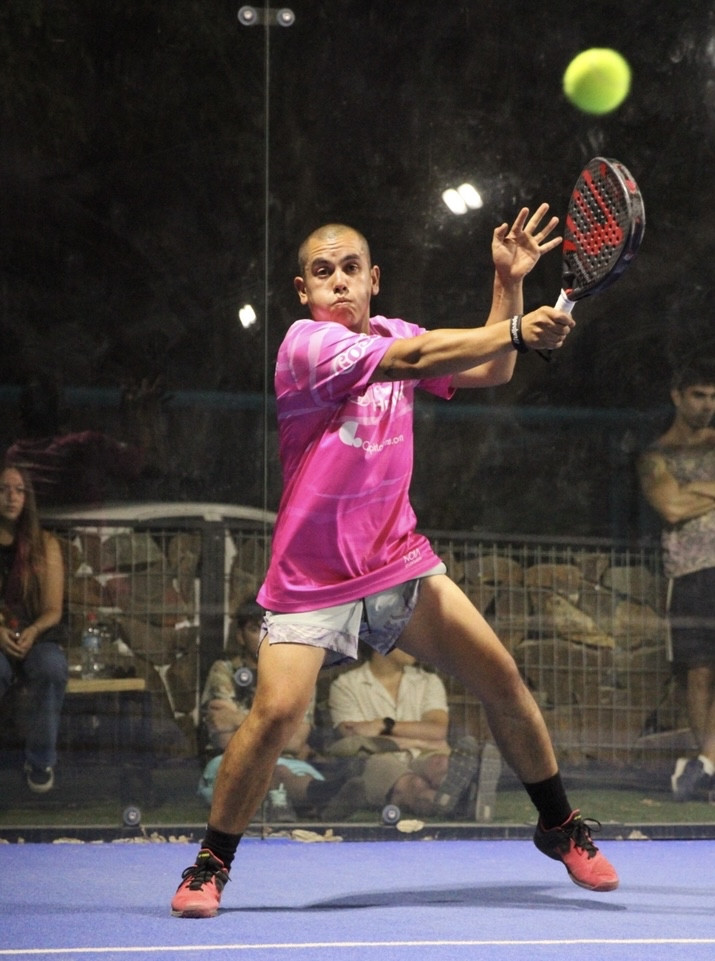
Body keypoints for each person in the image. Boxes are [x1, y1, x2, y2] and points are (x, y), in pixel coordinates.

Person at [171, 207, 619, 919]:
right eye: (323, 272)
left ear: (373, 279)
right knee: (276, 714)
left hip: (397, 562)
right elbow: (418, 361)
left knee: (501, 678)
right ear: (303, 290)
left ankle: (559, 825)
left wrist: (506, 285)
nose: (339, 281)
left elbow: (491, 368)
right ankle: (211, 862)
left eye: (351, 268)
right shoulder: (305, 346)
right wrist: (514, 327)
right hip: (313, 577)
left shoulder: (398, 331)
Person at [637, 359, 715, 801]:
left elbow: (682, 499)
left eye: (714, 397)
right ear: (678, 397)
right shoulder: (657, 454)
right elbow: (670, 507)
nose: (708, 405)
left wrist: (692, 491)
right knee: (698, 671)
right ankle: (707, 766)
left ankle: (707, 762)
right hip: (687, 570)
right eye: (699, 395)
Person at [199, 597, 347, 819]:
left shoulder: (300, 674)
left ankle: (288, 801)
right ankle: (309, 801)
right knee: (273, 773)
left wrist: (236, 719)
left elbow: (296, 741)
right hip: (232, 761)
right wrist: (280, 728)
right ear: (240, 636)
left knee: (283, 771)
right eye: (254, 629)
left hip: (292, 763)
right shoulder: (224, 671)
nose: (264, 636)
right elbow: (225, 738)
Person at [325, 647, 483, 818]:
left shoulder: (428, 681)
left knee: (441, 764)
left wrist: (382, 725)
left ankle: (453, 798)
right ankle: (462, 803)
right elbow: (354, 741)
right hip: (378, 760)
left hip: (421, 755)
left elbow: (437, 730)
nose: (415, 645)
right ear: (380, 642)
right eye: (404, 639)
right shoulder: (345, 686)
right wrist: (420, 741)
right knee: (415, 785)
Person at [0, 464, 68, 792]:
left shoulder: (45, 545)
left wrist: (33, 631)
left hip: (36, 636)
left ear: (28, 497)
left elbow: (53, 609)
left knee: (51, 667)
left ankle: (40, 761)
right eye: (3, 489)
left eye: (18, 490)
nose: (11, 497)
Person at [5, 374, 168, 507]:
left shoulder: (14, 456)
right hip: (87, 534)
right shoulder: (84, 444)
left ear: (20, 417)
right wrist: (143, 413)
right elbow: (143, 464)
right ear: (63, 413)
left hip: (38, 534)